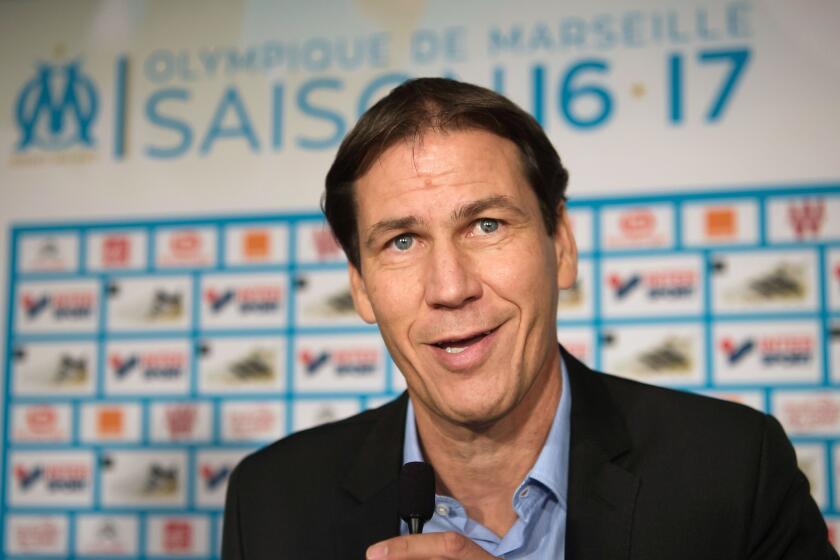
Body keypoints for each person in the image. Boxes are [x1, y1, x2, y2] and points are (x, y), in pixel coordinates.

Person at [222, 78, 836, 559]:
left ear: (560, 244)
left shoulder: (732, 471)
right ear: (360, 286)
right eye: (402, 242)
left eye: (486, 225)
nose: (450, 287)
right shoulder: (273, 500)